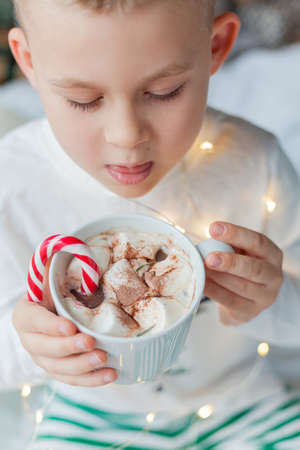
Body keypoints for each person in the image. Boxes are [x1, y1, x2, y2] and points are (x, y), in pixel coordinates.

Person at [2, 0, 300, 448]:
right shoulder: (14, 183)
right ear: (29, 61)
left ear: (215, 47)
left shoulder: (253, 164)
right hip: (90, 413)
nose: (126, 135)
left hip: (242, 402)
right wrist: (29, 345)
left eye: (164, 91)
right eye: (84, 100)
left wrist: (271, 301)